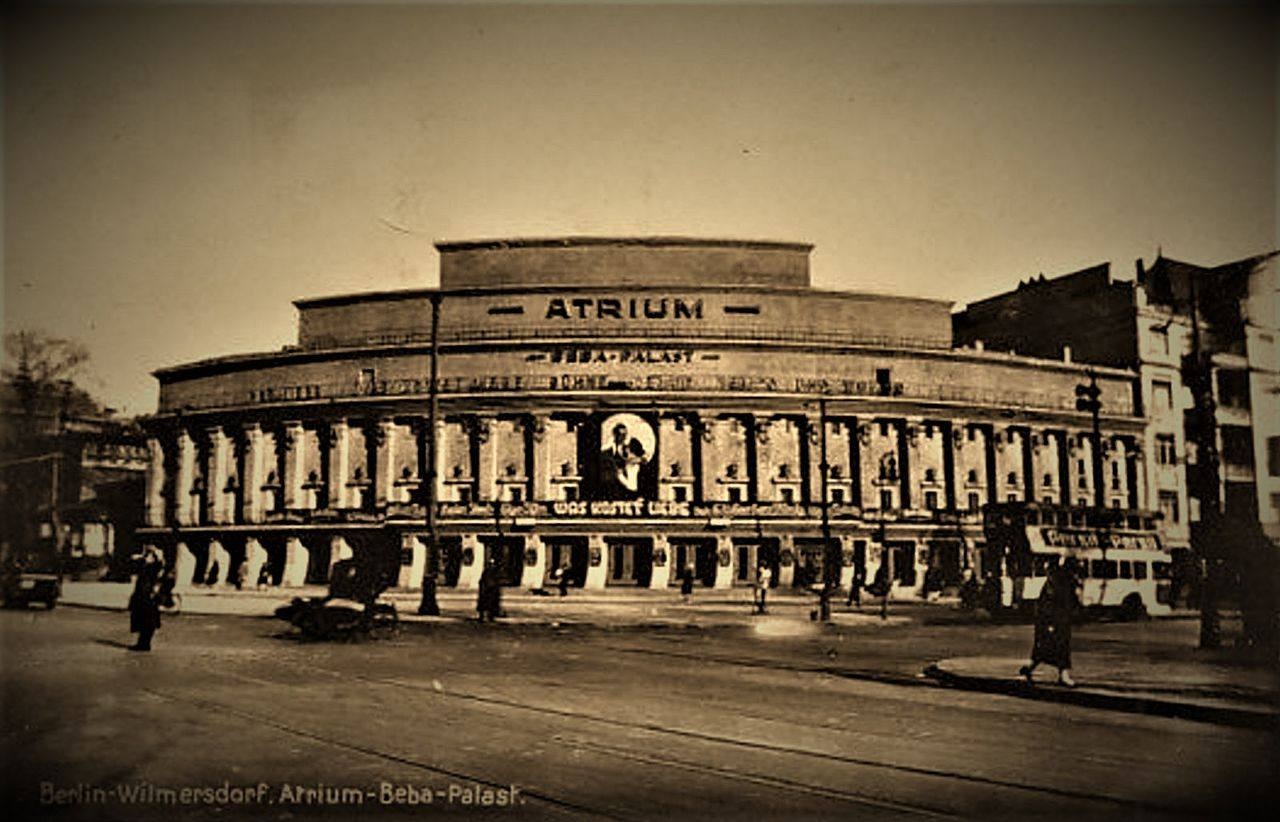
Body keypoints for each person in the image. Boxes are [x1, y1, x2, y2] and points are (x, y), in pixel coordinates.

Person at [1020, 558, 1081, 687]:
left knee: (1043, 649)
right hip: (1055, 621)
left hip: (1054, 621)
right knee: (1060, 649)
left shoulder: (1056, 582)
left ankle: (1030, 667)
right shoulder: (1060, 584)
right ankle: (1063, 675)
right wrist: (1051, 623)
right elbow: (1054, 604)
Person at [127, 546, 165, 652]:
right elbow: (133, 565)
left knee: (148, 621)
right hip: (142, 595)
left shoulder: (155, 566)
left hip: (148, 596)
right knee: (142, 621)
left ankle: (144, 644)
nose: (147, 556)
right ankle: (142, 643)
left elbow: (159, 568)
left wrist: (155, 556)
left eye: (149, 555)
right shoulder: (145, 565)